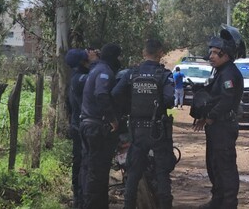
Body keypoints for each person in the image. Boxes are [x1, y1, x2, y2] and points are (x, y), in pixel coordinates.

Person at [111, 38, 176, 209]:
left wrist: (131, 107)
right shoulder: (164, 75)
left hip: (137, 130)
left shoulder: (131, 73)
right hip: (158, 130)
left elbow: (116, 94)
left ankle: (129, 206)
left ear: (143, 53)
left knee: (133, 173)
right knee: (162, 173)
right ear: (160, 54)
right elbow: (170, 100)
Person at [193, 26, 245, 209]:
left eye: (216, 52)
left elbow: (226, 101)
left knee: (225, 167)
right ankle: (217, 201)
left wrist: (210, 117)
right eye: (211, 52)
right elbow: (213, 99)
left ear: (227, 54)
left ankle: (229, 204)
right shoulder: (220, 72)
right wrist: (203, 116)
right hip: (216, 127)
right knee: (214, 165)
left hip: (224, 126)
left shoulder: (229, 73)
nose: (211, 56)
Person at [79, 43, 122, 209]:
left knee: (93, 170)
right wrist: (113, 119)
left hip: (88, 124)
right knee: (96, 173)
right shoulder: (104, 71)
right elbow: (101, 95)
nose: (120, 60)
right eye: (119, 56)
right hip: (96, 127)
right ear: (113, 56)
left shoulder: (96, 69)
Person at [65, 48, 99, 208]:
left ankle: (82, 197)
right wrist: (96, 63)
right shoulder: (80, 78)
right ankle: (80, 198)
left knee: (82, 163)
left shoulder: (77, 76)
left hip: (78, 125)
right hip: (80, 127)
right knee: (82, 164)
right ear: (83, 62)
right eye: (87, 56)